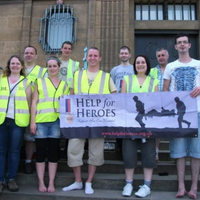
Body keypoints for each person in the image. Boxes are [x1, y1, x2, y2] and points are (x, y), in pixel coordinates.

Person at [62, 47, 116, 194]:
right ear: (86, 58)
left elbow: (114, 96)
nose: (92, 58)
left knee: (96, 152)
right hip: (78, 120)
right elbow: (71, 95)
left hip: (98, 121)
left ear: (100, 58)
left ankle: (89, 182)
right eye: (90, 55)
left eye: (95, 56)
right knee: (73, 150)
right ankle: (78, 181)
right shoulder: (77, 74)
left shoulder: (106, 76)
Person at [163, 33, 200, 199]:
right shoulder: (170, 67)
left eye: (185, 42)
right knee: (178, 152)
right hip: (177, 114)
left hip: (197, 113)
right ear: (176, 47)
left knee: (196, 152)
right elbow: (164, 91)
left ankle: (193, 187)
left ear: (190, 45)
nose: (183, 45)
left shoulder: (199, 64)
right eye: (179, 43)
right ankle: (181, 186)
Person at [121, 55, 159, 198]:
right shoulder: (127, 80)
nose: (140, 65)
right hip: (130, 123)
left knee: (148, 154)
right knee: (129, 153)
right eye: (138, 62)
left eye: (143, 62)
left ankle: (147, 186)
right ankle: (129, 183)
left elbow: (156, 102)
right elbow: (122, 99)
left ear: (147, 64)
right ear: (134, 65)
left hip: (147, 124)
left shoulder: (153, 81)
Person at [30, 56, 69, 193]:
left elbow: (66, 105)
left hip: (56, 122)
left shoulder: (64, 85)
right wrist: (32, 121)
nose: (52, 68)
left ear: (59, 67)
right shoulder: (39, 82)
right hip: (41, 122)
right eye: (49, 66)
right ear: (46, 68)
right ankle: (41, 182)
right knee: (40, 153)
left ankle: (51, 182)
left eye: (54, 66)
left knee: (53, 153)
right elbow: (34, 102)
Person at [0, 55, 31, 194]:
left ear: (22, 66)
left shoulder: (27, 82)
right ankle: (0, 180)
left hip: (18, 122)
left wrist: (31, 121)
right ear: (8, 65)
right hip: (1, 120)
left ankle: (11, 178)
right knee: (1, 152)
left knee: (14, 151)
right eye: (12, 63)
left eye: (17, 63)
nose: (15, 65)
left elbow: (30, 103)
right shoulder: (1, 80)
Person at [23, 45, 47, 174]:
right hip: (16, 110)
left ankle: (28, 161)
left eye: (31, 53)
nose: (29, 55)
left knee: (30, 137)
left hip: (33, 109)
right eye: (26, 53)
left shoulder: (42, 71)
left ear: (36, 56)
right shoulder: (17, 68)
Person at [110, 46, 134, 151]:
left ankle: (129, 146)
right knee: (118, 124)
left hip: (130, 101)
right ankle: (119, 146)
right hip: (118, 101)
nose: (124, 55)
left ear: (129, 55)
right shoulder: (115, 70)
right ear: (119, 55)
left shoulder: (134, 68)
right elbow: (111, 85)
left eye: (126, 53)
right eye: (122, 53)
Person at [150, 47, 169, 162]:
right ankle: (156, 152)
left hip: (171, 103)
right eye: (159, 56)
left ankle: (175, 153)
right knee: (156, 130)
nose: (161, 58)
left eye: (163, 55)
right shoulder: (152, 71)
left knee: (173, 128)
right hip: (156, 104)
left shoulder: (172, 69)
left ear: (167, 56)